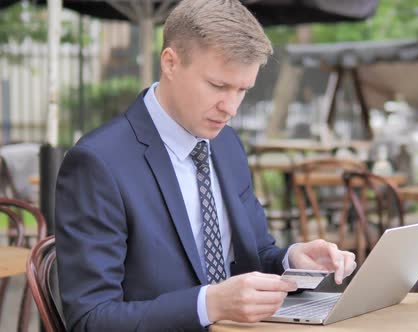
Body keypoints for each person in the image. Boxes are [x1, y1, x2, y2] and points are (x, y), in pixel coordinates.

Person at [54, 0, 356, 331]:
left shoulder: (226, 144)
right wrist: (209, 304)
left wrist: (293, 260)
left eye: (243, 90)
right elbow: (90, 320)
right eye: (217, 86)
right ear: (170, 62)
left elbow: (255, 253)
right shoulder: (98, 163)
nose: (230, 108)